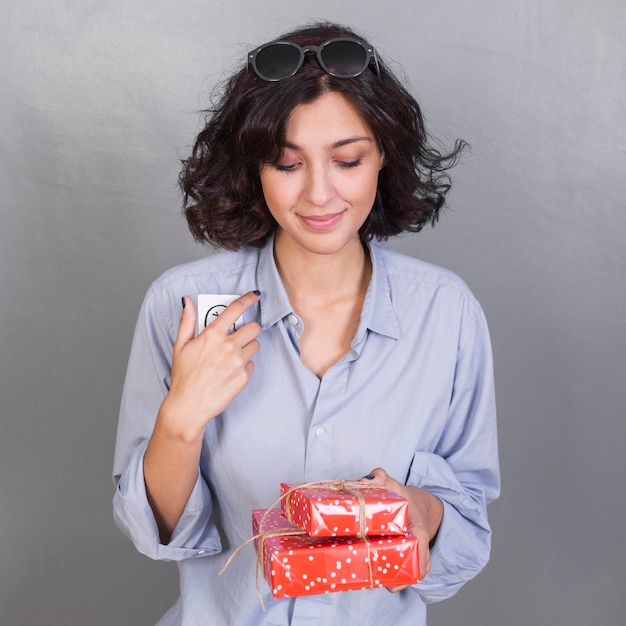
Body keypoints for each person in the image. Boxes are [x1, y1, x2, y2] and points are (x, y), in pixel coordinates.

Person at [112, 20, 500, 626]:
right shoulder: (183, 304)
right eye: (288, 165)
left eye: (347, 160)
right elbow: (159, 532)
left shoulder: (447, 314)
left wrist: (418, 511)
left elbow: (467, 529)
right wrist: (182, 419)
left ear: (383, 160)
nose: (319, 194)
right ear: (254, 170)